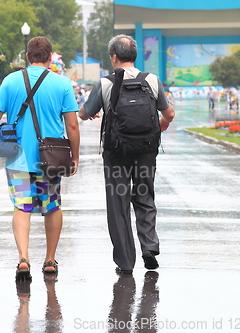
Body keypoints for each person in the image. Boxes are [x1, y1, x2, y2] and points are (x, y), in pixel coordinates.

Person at [0, 36, 80, 281]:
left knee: (22, 207)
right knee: (52, 205)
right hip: (52, 158)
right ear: (50, 58)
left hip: (18, 158)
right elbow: (73, 125)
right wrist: (74, 157)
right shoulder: (62, 84)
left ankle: (23, 258)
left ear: (27, 56)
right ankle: (49, 259)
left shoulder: (10, 81)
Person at [79, 34, 175, 274]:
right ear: (134, 56)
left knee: (118, 203)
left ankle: (125, 261)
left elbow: (84, 112)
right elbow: (170, 113)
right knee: (144, 196)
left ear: (114, 56)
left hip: (117, 153)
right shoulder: (151, 80)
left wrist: (87, 113)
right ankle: (149, 248)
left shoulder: (106, 83)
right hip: (145, 151)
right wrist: (161, 122)